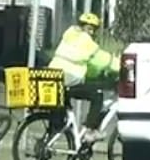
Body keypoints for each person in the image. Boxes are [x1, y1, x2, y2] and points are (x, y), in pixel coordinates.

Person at [48, 12, 120, 144]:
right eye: (90, 28)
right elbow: (103, 60)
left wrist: (94, 74)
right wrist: (122, 65)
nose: (92, 32)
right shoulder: (85, 41)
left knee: (88, 90)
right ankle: (90, 131)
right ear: (84, 27)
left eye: (94, 29)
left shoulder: (69, 36)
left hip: (55, 79)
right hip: (69, 79)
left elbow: (89, 65)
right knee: (97, 95)